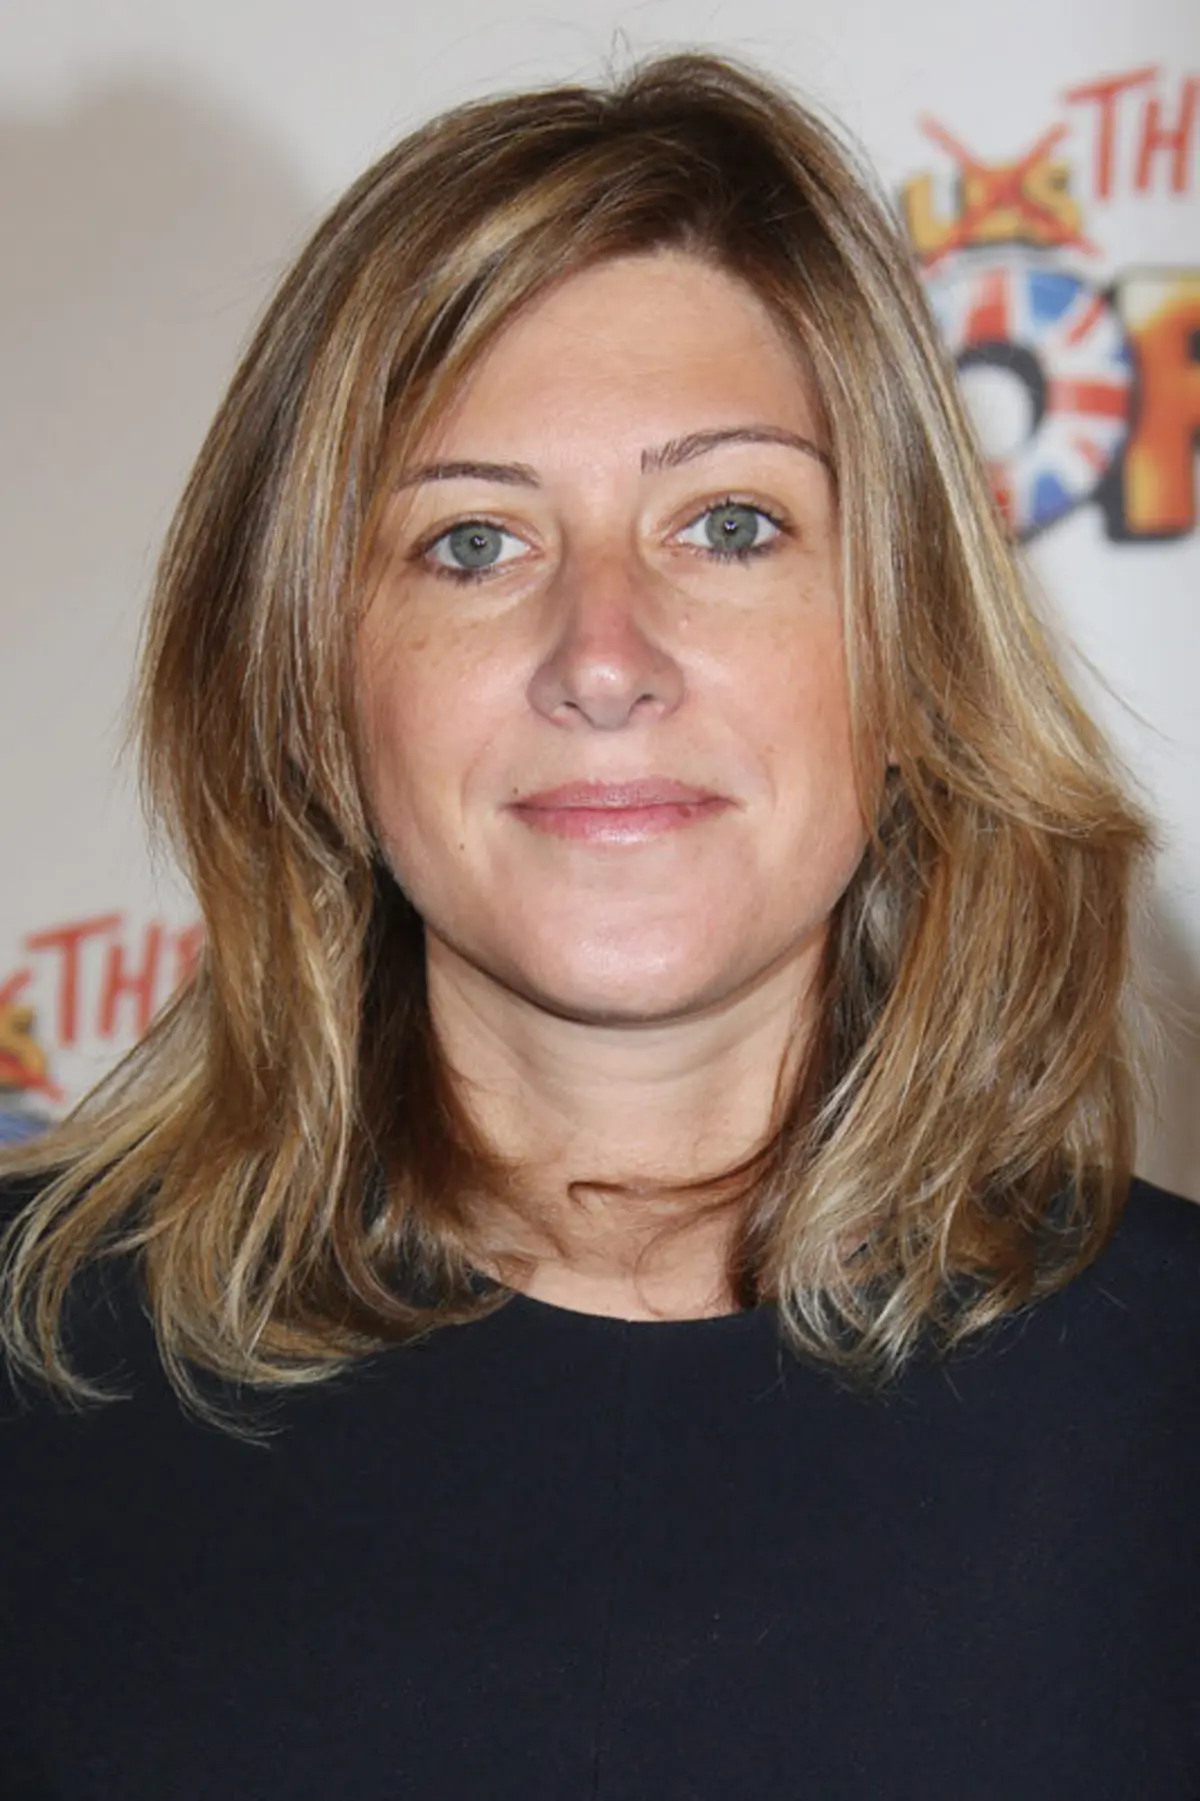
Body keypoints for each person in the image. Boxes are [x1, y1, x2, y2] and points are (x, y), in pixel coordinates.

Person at [1, 48, 1197, 1801]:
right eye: (473, 544)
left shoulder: (1166, 1409)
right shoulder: (33, 1380)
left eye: (730, 524)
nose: (605, 657)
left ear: (910, 653)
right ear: (310, 686)